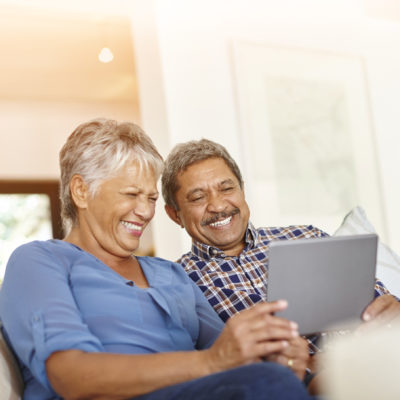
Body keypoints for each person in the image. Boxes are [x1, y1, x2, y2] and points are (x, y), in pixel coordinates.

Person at [0, 119, 314, 400]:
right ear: (81, 191)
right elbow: (71, 377)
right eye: (131, 195)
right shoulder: (41, 261)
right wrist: (212, 362)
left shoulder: (172, 275)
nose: (146, 211)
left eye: (150, 198)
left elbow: (231, 357)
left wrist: (277, 357)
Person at [161, 138, 400, 373]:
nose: (218, 206)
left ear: (242, 189)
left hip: (379, 361)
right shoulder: (178, 281)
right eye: (198, 197)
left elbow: (382, 305)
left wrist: (391, 309)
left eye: (227, 188)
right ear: (174, 214)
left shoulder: (306, 235)